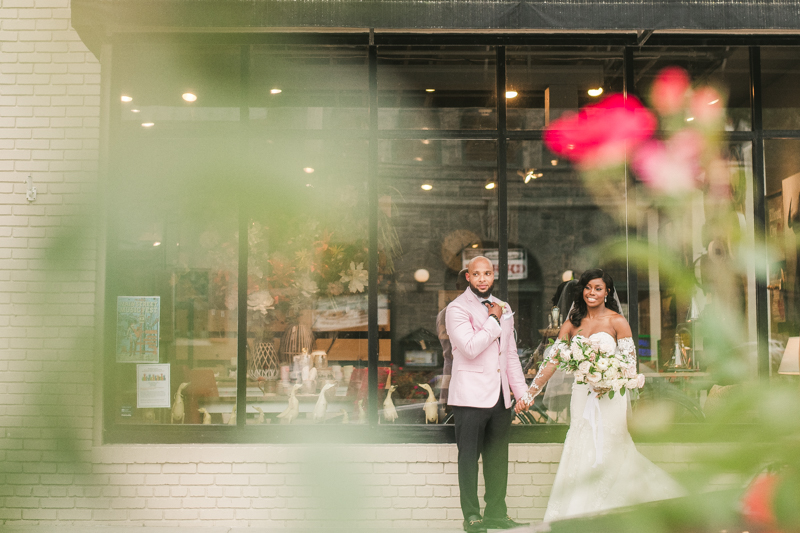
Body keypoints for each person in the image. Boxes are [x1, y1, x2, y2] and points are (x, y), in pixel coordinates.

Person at [516, 268, 685, 522]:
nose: (591, 293)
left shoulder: (618, 321)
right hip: (582, 395)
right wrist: (530, 394)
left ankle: (616, 511)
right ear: (581, 291)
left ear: (607, 292)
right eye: (587, 288)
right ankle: (578, 512)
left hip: (610, 397)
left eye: (597, 288)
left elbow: (630, 367)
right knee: (580, 444)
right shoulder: (571, 324)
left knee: (612, 447)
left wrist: (609, 380)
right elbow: (552, 361)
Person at [445, 256, 530, 533]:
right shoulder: (457, 308)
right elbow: (470, 348)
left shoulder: (504, 308)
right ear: (468, 277)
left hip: (500, 398)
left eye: (487, 273)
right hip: (469, 398)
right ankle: (472, 516)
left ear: (493, 276)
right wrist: (492, 319)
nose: (482, 278)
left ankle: (496, 513)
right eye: (476, 274)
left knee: (497, 460)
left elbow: (510, 356)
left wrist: (521, 393)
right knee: (468, 459)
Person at [436, 268, 469, 406]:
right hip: (456, 370)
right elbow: (451, 350)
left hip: (454, 369)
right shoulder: (449, 313)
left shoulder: (445, 312)